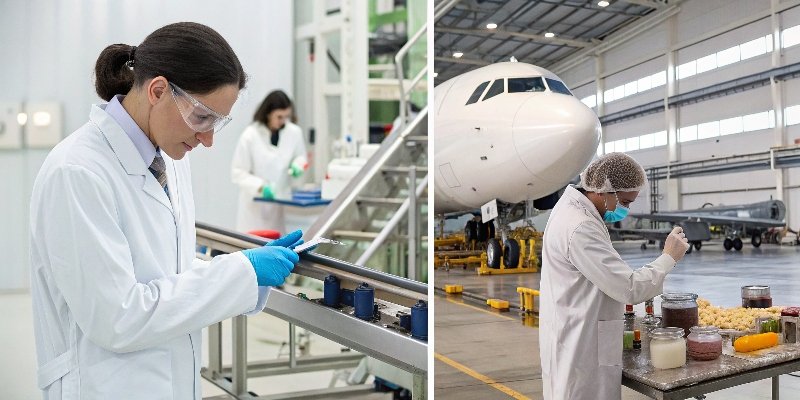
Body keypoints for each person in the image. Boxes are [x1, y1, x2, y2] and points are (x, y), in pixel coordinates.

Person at [29, 22, 304, 399]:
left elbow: (167, 271)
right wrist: (240, 272)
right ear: (158, 90)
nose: (207, 139)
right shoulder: (78, 171)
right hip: (103, 385)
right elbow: (118, 317)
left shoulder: (169, 159)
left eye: (217, 124)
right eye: (202, 117)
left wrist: (245, 269)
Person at [538, 152, 690, 400]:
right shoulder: (581, 226)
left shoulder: (574, 211)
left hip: (579, 332)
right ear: (603, 190)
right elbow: (629, 288)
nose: (625, 210)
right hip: (581, 348)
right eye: (626, 203)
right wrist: (668, 257)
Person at [231, 90, 308, 233]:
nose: (283, 121)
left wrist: (298, 165)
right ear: (268, 113)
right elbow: (238, 173)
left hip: (278, 206)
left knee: (275, 245)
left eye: (286, 117)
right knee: (252, 247)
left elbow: (301, 157)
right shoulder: (250, 135)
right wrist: (261, 187)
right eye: (279, 117)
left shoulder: (294, 132)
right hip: (253, 209)